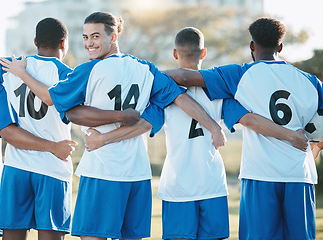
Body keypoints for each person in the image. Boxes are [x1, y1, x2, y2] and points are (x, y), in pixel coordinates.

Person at [0, 11, 228, 240]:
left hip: (101, 170)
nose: (89, 43)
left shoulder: (89, 70)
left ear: (114, 37)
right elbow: (180, 98)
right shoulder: (146, 69)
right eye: (86, 37)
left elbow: (64, 107)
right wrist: (214, 128)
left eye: (96, 36)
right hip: (137, 174)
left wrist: (21, 73)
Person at [84, 26, 310, 240]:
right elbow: (249, 119)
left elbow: (142, 125)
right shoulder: (221, 92)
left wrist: (103, 139)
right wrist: (292, 135)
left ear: (174, 53)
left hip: (177, 186)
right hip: (212, 185)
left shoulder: (162, 94)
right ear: (204, 52)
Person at [164, 17, 323, 240]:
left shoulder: (239, 75)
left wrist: (149, 76)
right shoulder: (310, 81)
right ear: (280, 47)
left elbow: (183, 76)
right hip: (300, 174)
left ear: (252, 46)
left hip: (260, 174)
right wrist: (318, 146)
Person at [0, 19, 95, 240]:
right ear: (64, 43)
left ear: (35, 41)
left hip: (16, 167)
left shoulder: (9, 66)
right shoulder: (69, 75)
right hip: (53, 168)